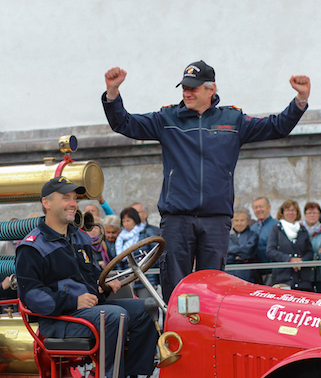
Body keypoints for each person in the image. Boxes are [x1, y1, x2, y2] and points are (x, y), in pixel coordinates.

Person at [103, 61, 310, 301]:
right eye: (184, 88)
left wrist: (300, 100)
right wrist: (112, 93)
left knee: (212, 289)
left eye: (193, 88)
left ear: (211, 89)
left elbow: (277, 127)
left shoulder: (233, 119)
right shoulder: (167, 118)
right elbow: (124, 123)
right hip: (177, 218)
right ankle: (174, 335)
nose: (187, 93)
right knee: (175, 287)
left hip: (216, 219)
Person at [15, 176, 157, 378]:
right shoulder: (32, 247)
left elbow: (90, 275)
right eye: (65, 198)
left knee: (147, 307)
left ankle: (135, 373)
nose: (73, 203)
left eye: (74, 198)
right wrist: (74, 300)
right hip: (58, 319)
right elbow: (31, 295)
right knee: (114, 315)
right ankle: (110, 375)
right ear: (46, 203)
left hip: (90, 311)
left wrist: (104, 282)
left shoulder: (79, 237)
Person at [266, 200, 314, 291]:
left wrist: (301, 261)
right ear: (282, 212)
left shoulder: (302, 230)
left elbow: (309, 251)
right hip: (283, 279)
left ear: (297, 213)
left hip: (302, 280)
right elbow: (270, 251)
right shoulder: (276, 229)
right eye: (287, 210)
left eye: (293, 210)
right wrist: (289, 260)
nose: (290, 212)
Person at [250, 197, 278, 284]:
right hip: (256, 275)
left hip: (272, 274)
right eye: (256, 207)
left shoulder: (276, 226)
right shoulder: (253, 228)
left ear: (269, 207)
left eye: (261, 206)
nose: (258, 210)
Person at [226, 208, 259, 282]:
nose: (239, 223)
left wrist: (231, 250)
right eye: (236, 220)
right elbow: (225, 256)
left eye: (242, 220)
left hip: (248, 276)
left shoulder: (253, 235)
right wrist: (240, 253)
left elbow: (249, 252)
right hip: (229, 276)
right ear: (232, 222)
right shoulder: (227, 237)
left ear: (247, 221)